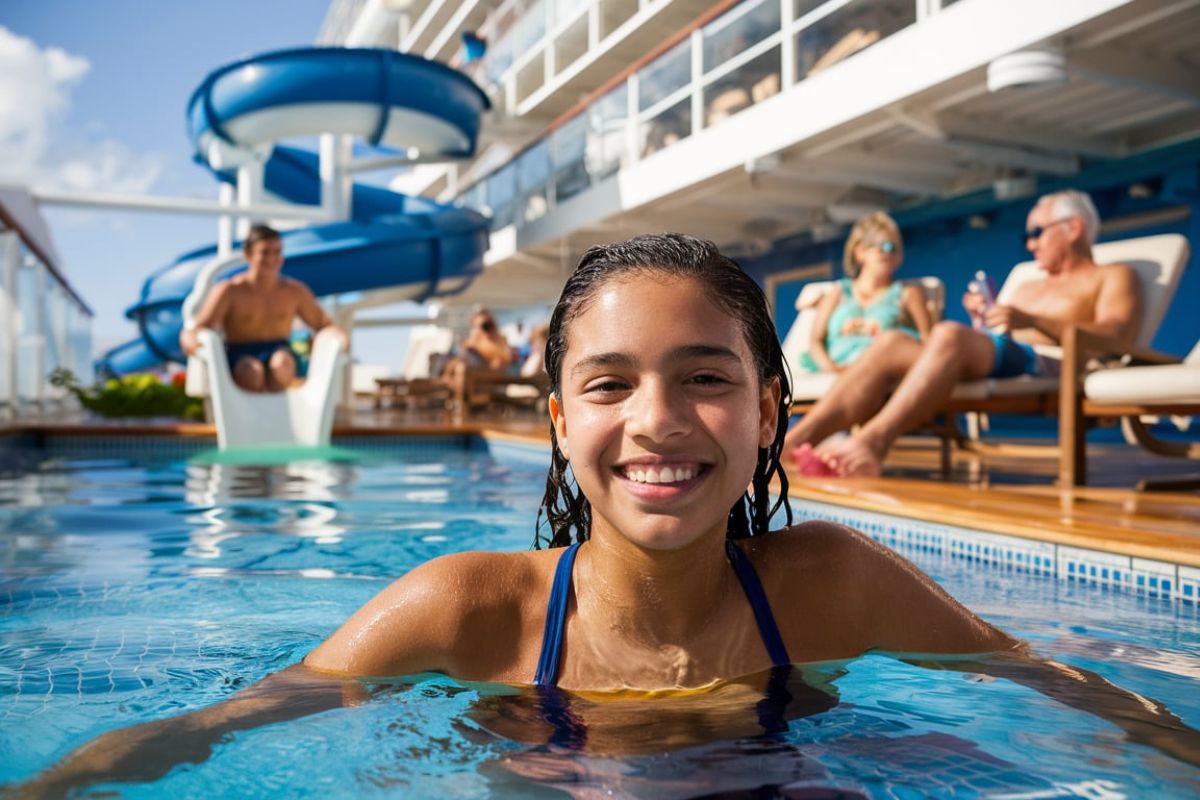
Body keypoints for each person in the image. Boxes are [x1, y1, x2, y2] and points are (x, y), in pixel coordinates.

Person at [17, 234, 1195, 795]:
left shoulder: (829, 580)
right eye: (610, 381)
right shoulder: (472, 607)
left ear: (770, 413)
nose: (658, 419)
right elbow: (218, 726)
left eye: (705, 375)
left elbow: (1062, 688)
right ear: (557, 421)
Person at [783, 189, 1142, 476]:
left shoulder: (1113, 276)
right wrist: (982, 321)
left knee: (948, 334)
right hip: (1002, 356)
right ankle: (790, 444)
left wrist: (1030, 320)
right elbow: (993, 341)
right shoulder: (1031, 281)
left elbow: (1114, 335)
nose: (1030, 244)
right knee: (893, 341)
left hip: (1048, 362)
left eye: (1036, 233)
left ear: (1073, 228)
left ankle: (872, 445)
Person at [179, 224, 346, 393]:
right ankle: (250, 416)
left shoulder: (295, 291)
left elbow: (324, 324)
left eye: (277, 252)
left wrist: (339, 337)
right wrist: (190, 339)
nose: (272, 258)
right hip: (240, 353)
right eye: (265, 252)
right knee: (251, 371)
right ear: (248, 255)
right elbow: (200, 327)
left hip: (279, 349)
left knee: (282, 364)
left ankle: (278, 414)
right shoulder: (229, 291)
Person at [800, 211, 931, 375]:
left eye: (894, 247)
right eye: (882, 246)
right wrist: (832, 370)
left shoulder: (908, 294)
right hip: (835, 373)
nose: (889, 252)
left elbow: (928, 344)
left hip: (882, 376)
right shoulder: (838, 292)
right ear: (860, 251)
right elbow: (815, 342)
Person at [440, 308, 519, 412]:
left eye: (487, 324)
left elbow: (501, 362)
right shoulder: (474, 341)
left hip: (491, 374)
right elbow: (460, 359)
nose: (486, 327)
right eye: (481, 325)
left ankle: (461, 404)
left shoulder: (499, 339)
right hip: (474, 375)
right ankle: (461, 403)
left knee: (462, 370)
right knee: (461, 369)